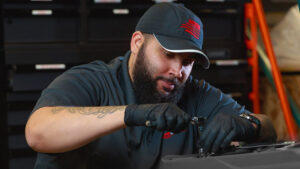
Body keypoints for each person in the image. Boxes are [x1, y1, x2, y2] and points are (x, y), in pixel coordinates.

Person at [25, 2, 277, 169]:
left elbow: (267, 126)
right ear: (137, 43)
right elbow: (38, 132)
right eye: (168, 54)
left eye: (187, 62)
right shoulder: (93, 81)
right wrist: (132, 113)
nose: (178, 71)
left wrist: (247, 124)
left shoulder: (195, 94)